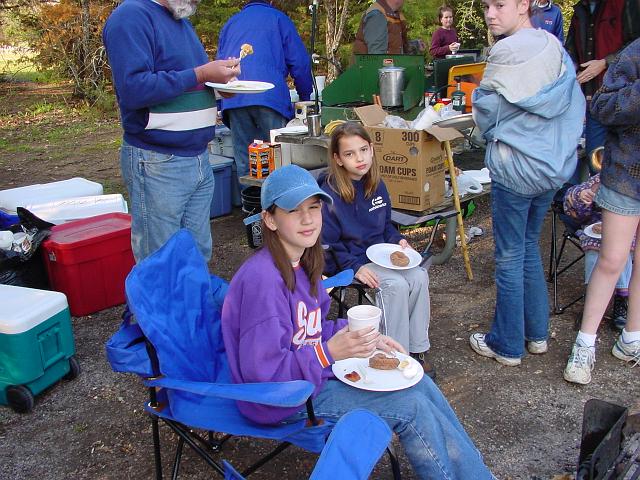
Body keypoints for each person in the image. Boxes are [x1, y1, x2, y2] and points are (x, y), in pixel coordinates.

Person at [221, 164, 494, 480]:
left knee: (420, 381)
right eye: (294, 211)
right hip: (282, 401)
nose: (308, 219)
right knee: (409, 406)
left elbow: (308, 329)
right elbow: (265, 376)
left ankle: (478, 474)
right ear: (270, 219)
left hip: (309, 378)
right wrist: (327, 354)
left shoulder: (303, 262)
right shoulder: (263, 281)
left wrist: (362, 335)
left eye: (313, 207)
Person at [469, 0, 585, 366]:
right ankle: (536, 335)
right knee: (529, 246)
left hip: (516, 168)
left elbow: (487, 110)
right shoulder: (552, 45)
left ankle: (506, 345)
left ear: (523, 6)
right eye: (486, 5)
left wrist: (491, 131)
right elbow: (573, 105)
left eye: (500, 5)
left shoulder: (507, 50)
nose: (490, 13)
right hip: (552, 168)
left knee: (509, 255)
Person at [103, 0, 240, 262]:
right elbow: (133, 89)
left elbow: (190, 83)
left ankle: (192, 304)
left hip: (199, 158)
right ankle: (157, 305)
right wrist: (200, 73)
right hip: (158, 161)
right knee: (161, 260)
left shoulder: (180, 21)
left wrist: (222, 86)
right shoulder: (131, 16)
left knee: (197, 254)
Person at [319, 122, 434, 378]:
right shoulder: (330, 195)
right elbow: (328, 246)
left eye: (363, 150)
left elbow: (386, 227)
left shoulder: (376, 184)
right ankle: (393, 354)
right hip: (347, 262)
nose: (359, 158)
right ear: (337, 159)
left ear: (372, 149)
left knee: (418, 276)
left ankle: (416, 349)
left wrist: (398, 241)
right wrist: (355, 268)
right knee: (395, 285)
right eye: (349, 154)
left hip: (378, 255)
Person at [563, 38, 640, 385]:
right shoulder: (633, 53)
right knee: (612, 260)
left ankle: (631, 339)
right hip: (626, 176)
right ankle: (584, 343)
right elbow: (603, 107)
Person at [216, 0, 312, 193]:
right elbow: (300, 62)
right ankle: (281, 209)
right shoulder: (279, 19)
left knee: (246, 160)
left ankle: (252, 214)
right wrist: (305, 96)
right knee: (279, 156)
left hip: (235, 97)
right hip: (270, 98)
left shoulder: (232, 23)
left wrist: (220, 101)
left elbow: (220, 65)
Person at [565, 0, 640, 165]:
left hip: (624, 98)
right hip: (594, 100)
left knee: (625, 165)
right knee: (595, 163)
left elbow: (636, 44)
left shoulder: (625, 4)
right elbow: (570, 50)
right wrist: (574, 71)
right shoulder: (579, 10)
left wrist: (604, 62)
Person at [563, 174, 633, 331]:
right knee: (595, 247)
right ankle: (593, 301)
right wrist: (581, 196)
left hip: (629, 233)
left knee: (622, 248)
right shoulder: (601, 178)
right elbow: (573, 208)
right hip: (594, 230)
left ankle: (622, 298)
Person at [353, 0, 422, 55]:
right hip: (368, 71)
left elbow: (394, 46)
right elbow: (376, 57)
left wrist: (415, 44)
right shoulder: (377, 15)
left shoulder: (395, 15)